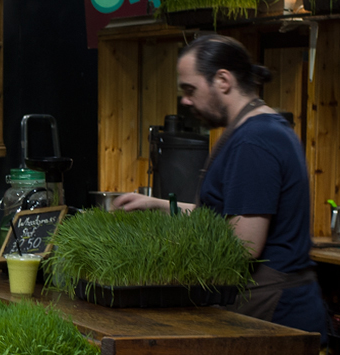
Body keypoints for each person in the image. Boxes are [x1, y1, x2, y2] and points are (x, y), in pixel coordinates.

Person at [114, 33, 328, 338]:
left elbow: (244, 245)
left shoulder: (255, 141)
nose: (185, 101)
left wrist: (163, 252)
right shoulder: (255, 130)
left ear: (223, 80)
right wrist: (157, 206)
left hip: (275, 314)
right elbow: (225, 215)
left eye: (190, 89)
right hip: (268, 306)